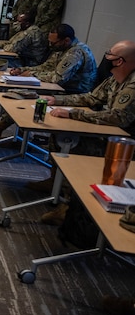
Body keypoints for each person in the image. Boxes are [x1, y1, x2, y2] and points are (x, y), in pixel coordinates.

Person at [34, 41, 135, 225]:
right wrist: (57, 101)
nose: (106, 58)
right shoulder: (116, 78)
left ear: (120, 61)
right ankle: (56, 185)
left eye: (109, 55)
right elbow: (91, 97)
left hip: (126, 148)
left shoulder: (132, 84)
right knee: (59, 136)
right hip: (113, 136)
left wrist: (73, 114)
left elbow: (119, 118)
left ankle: (70, 206)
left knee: (75, 145)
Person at [0, 23, 96, 142]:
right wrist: (24, 70)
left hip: (74, 92)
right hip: (60, 87)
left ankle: (15, 136)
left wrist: (32, 74)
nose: (50, 45)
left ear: (66, 40)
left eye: (53, 43)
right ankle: (9, 133)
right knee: (17, 93)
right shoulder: (62, 48)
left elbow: (58, 78)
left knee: (23, 95)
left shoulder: (75, 52)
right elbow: (46, 67)